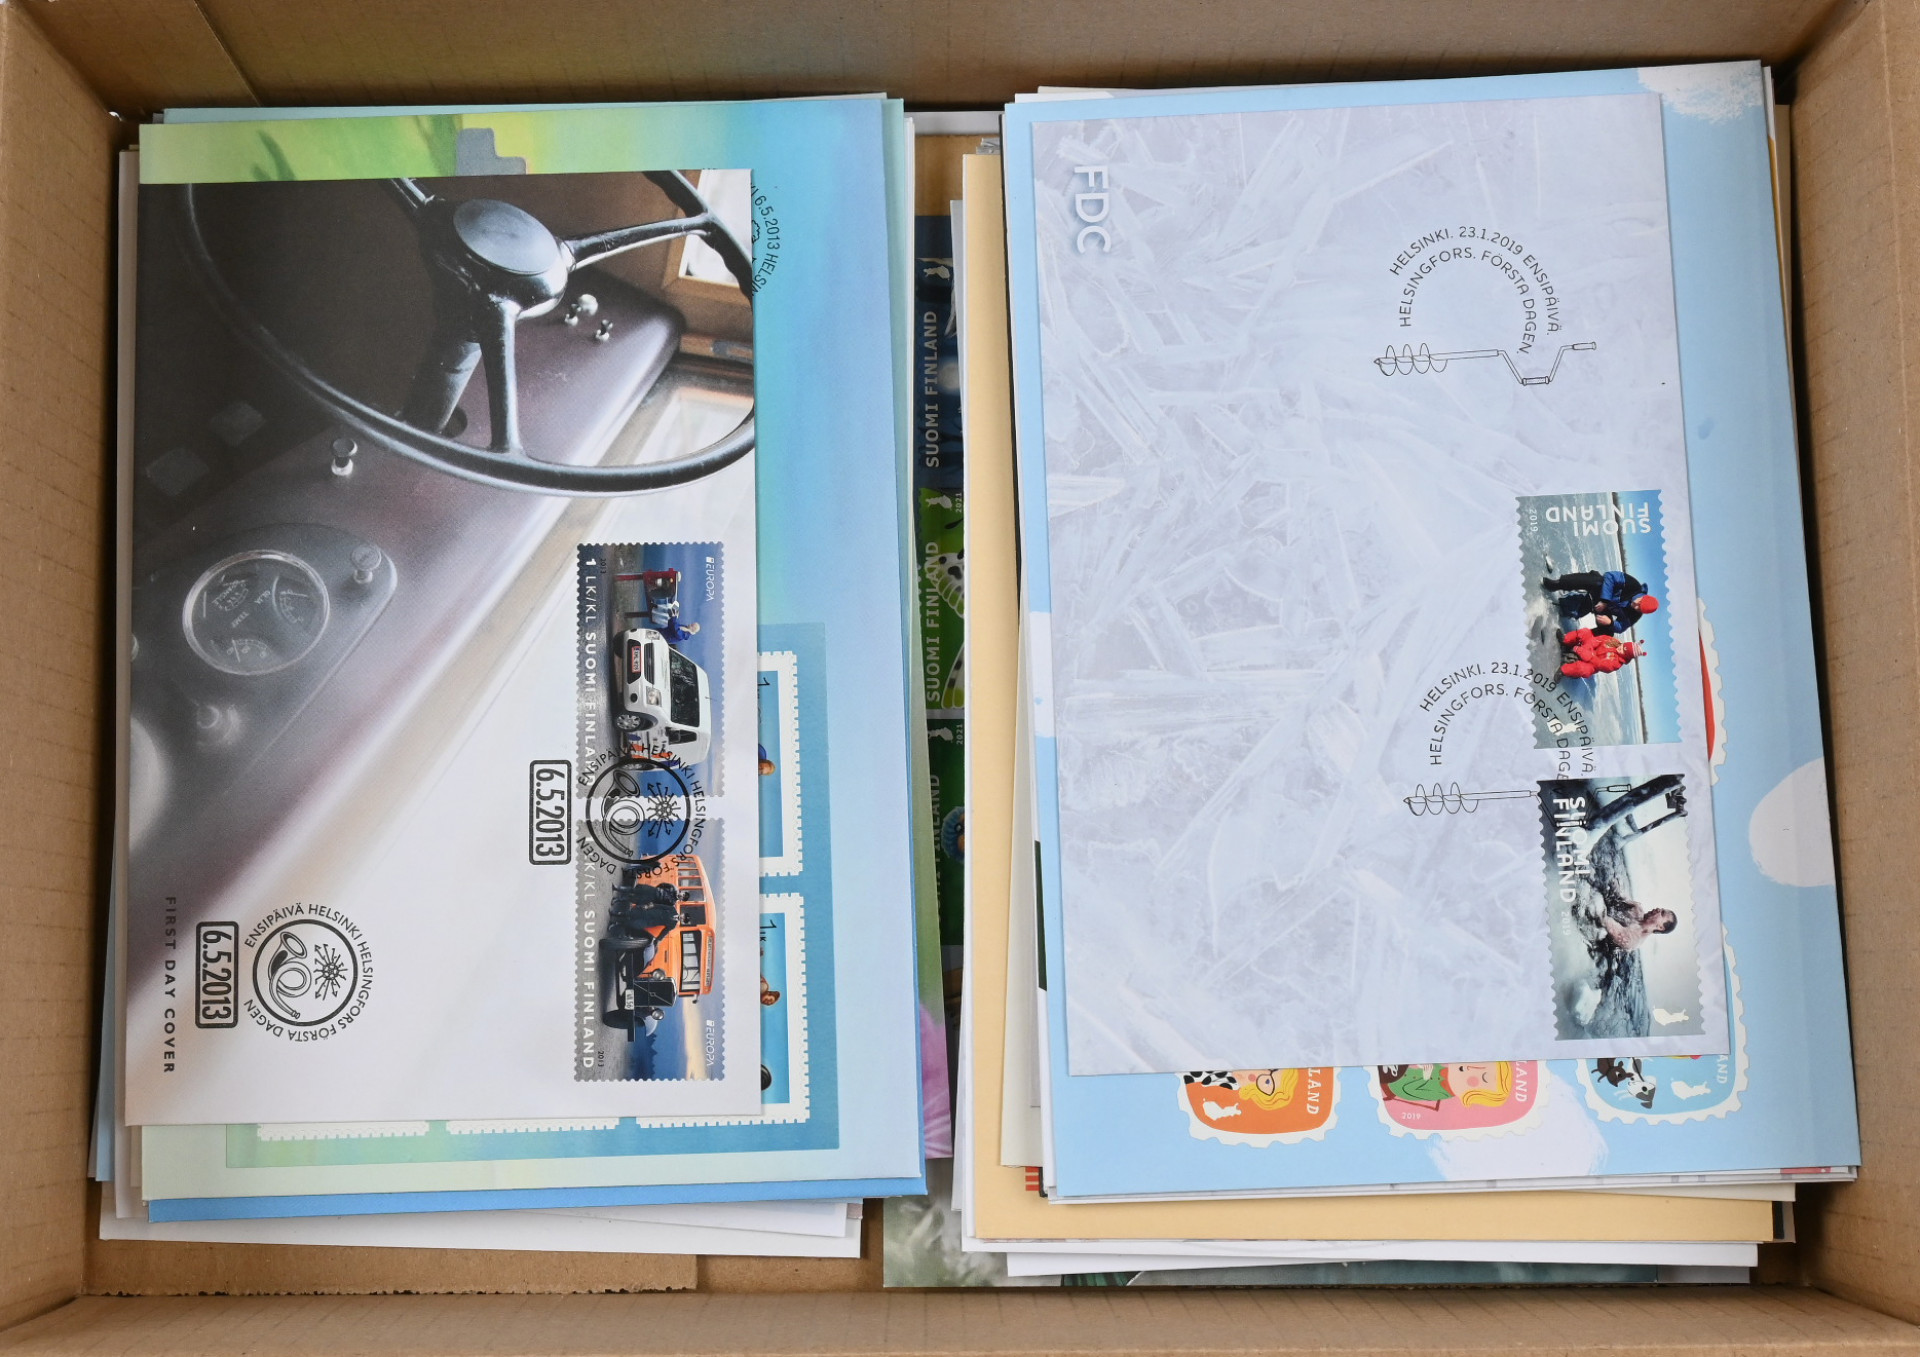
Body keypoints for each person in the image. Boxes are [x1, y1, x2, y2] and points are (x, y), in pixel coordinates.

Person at [1542, 569, 1660, 634]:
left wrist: (1610, 623)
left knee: (1607, 634)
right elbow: (1610, 576)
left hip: (1602, 608)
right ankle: (1557, 584)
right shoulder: (1633, 585)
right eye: (1639, 603)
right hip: (1600, 592)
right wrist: (1605, 600)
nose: (1636, 606)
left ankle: (1575, 643)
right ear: (1643, 597)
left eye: (1639, 609)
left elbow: (1621, 627)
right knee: (1597, 580)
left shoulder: (1635, 614)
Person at [1377, 1062, 1514, 1109]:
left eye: (1483, 1078)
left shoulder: (1441, 1092)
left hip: (1395, 1083)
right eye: (1478, 1065)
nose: (1471, 1068)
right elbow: (1432, 1066)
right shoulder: (1445, 1070)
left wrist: (1425, 1077)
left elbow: (1409, 1091)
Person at [609, 877, 679, 938]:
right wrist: (656, 890)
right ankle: (617, 893)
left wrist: (657, 940)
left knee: (632, 921)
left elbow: (664, 932)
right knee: (635, 891)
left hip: (650, 918)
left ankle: (615, 922)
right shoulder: (673, 891)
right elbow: (663, 885)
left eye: (683, 898)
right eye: (682, 895)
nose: (681, 896)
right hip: (652, 894)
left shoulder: (672, 904)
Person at [1598, 898, 1679, 952]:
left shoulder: (1633, 939)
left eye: (1662, 913)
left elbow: (1603, 919)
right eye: (1661, 909)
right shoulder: (1637, 908)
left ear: (1660, 927)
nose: (1658, 909)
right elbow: (1619, 893)